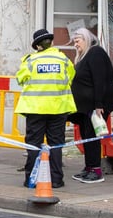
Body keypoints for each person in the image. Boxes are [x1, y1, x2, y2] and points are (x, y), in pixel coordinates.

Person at [15, 28, 77, 189]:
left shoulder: (30, 61)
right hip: (58, 108)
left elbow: (20, 79)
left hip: (35, 109)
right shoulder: (63, 59)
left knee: (33, 145)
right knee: (56, 144)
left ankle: (31, 179)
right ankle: (56, 179)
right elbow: (71, 76)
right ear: (51, 42)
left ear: (38, 46)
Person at [68, 27, 113, 184]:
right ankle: (89, 167)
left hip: (94, 106)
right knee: (86, 136)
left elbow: (99, 80)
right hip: (85, 107)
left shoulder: (95, 53)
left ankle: (95, 169)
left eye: (78, 41)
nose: (76, 45)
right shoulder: (85, 56)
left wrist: (98, 104)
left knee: (91, 137)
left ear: (86, 39)